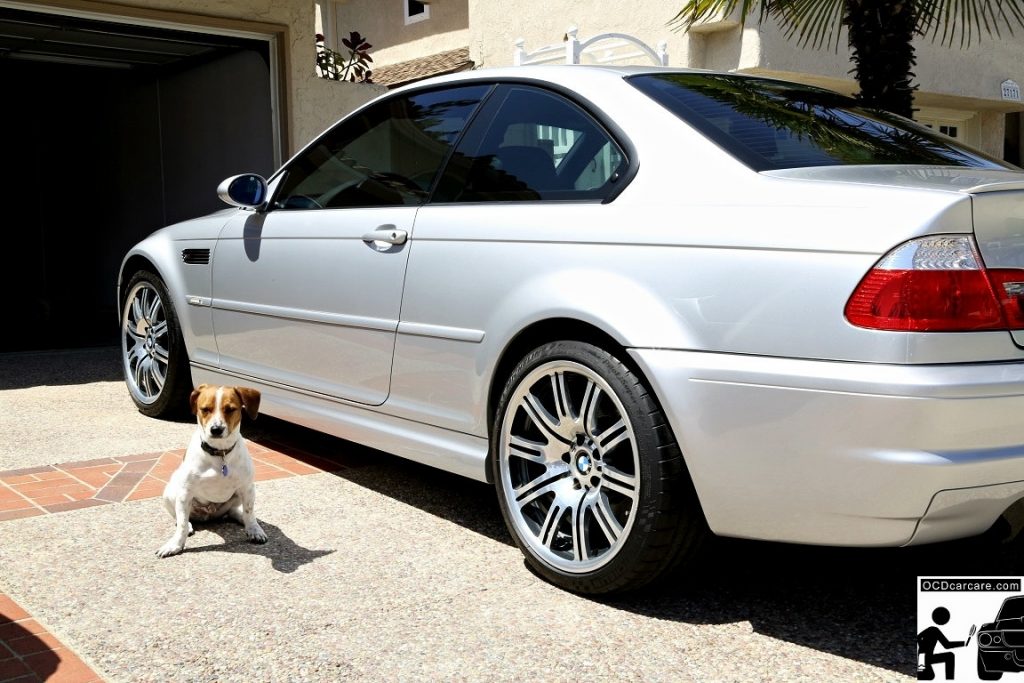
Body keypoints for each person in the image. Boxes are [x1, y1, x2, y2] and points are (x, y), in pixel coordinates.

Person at [917, 607, 966, 680]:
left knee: (928, 676)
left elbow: (918, 637)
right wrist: (963, 643)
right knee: (950, 656)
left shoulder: (930, 629)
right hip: (925, 658)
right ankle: (949, 679)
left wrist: (922, 648)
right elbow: (947, 645)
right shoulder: (934, 630)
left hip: (922, 657)